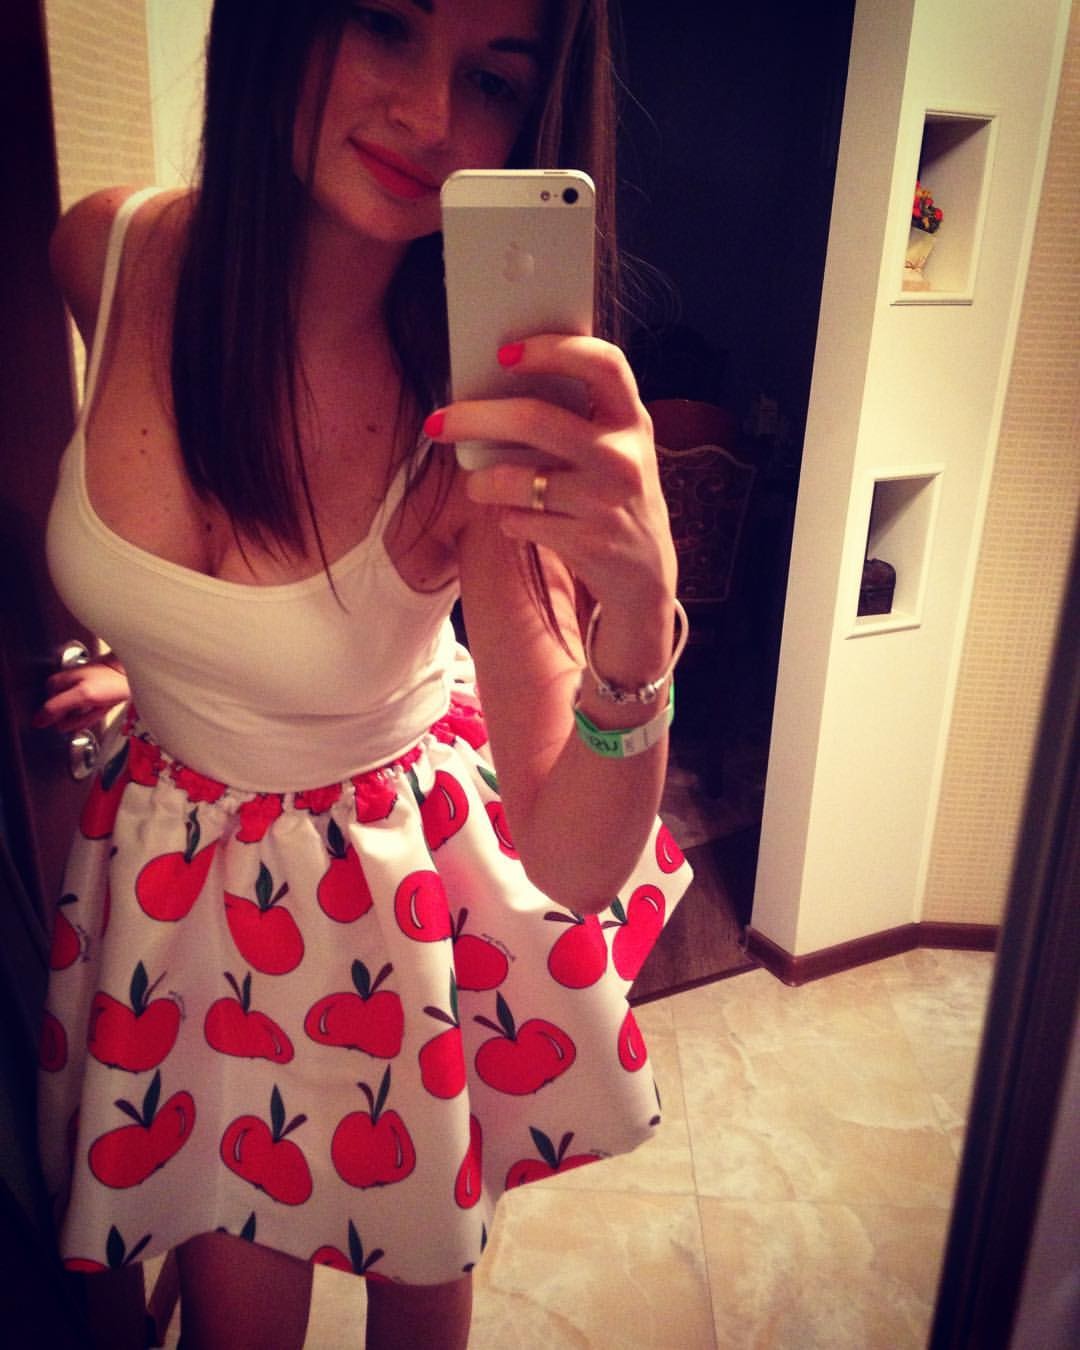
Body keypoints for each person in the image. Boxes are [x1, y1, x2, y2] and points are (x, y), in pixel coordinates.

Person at [35, 2, 691, 1347]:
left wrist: (639, 613)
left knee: (415, 1282)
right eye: (385, 23)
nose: (430, 117)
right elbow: (174, 548)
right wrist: (161, 664)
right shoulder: (101, 249)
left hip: (384, 884)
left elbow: (574, 859)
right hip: (178, 885)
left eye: (493, 78)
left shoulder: (478, 412)